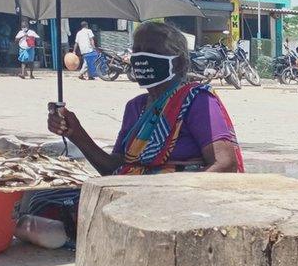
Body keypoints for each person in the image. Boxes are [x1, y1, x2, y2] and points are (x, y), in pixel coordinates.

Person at [33, 22, 245, 240]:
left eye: (152, 52)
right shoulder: (135, 107)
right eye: (137, 52)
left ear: (179, 62)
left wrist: (172, 199)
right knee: (47, 203)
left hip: (182, 207)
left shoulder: (197, 100)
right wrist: (76, 132)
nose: (142, 59)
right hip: (136, 201)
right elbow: (113, 169)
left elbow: (225, 164)